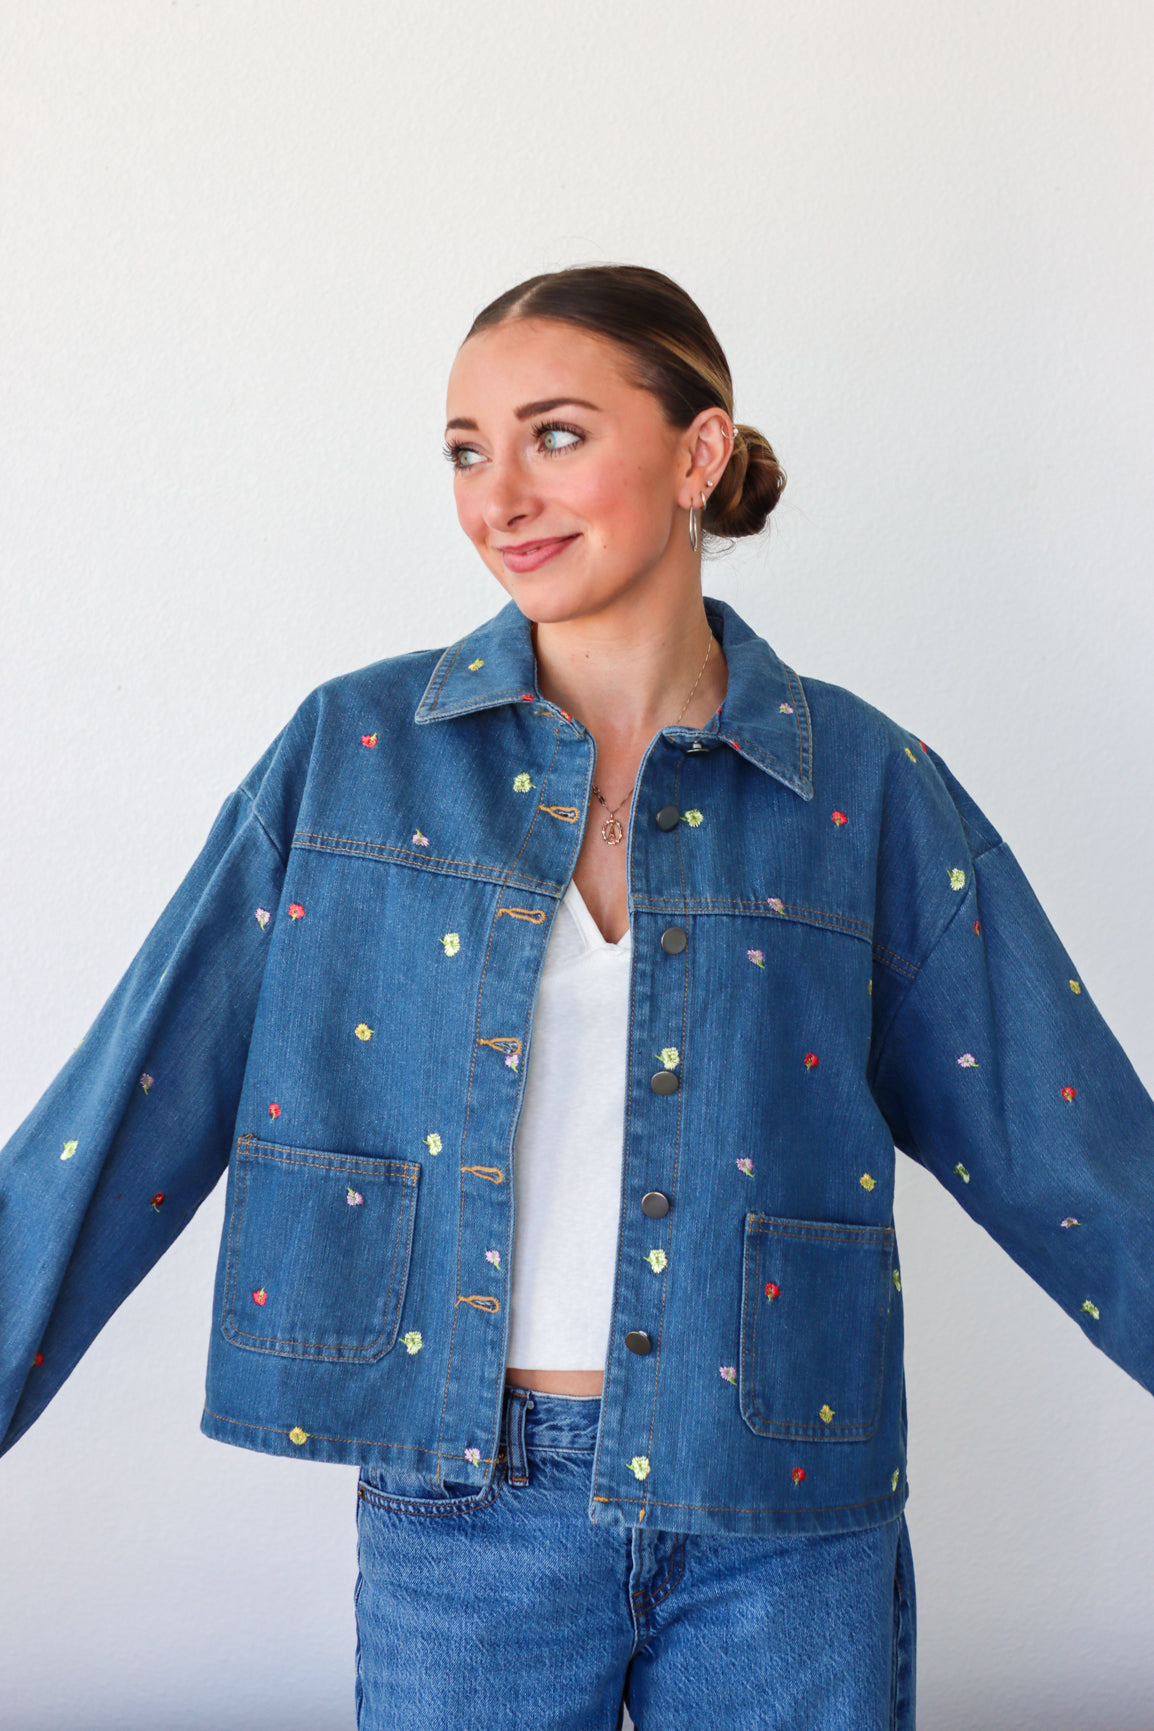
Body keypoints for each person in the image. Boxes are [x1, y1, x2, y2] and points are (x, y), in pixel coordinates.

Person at [2, 263, 1152, 1730]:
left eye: (552, 435)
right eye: (466, 451)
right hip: (460, 1509)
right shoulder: (355, 758)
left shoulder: (864, 789)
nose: (497, 497)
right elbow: (135, 1098)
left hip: (780, 1514)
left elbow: (1079, 1152)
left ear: (696, 453)